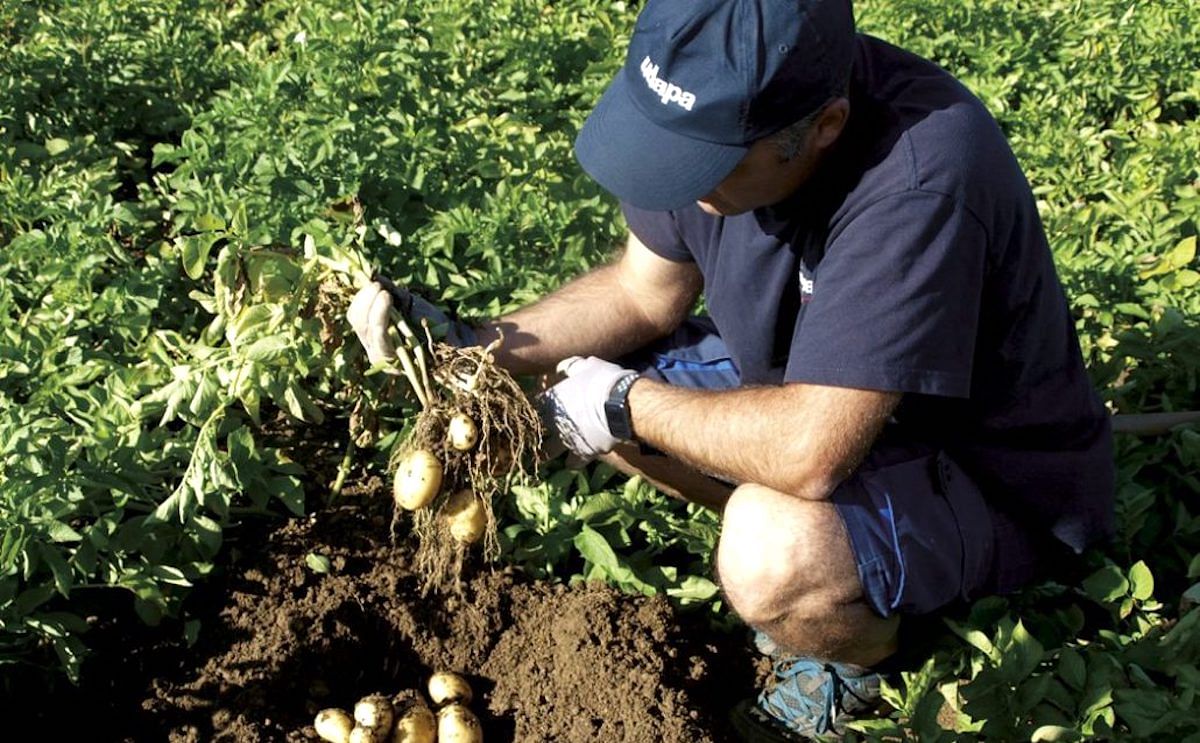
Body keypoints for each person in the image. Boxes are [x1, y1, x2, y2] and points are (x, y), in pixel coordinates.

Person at [348, 0, 1116, 738]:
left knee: (772, 548)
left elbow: (810, 452)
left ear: (824, 127)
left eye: (707, 164)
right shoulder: (719, 113)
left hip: (987, 479)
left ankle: (871, 649)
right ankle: (835, 565)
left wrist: (623, 406)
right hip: (821, 395)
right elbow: (640, 291)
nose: (682, 183)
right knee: (595, 376)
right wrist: (468, 340)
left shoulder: (919, 177)